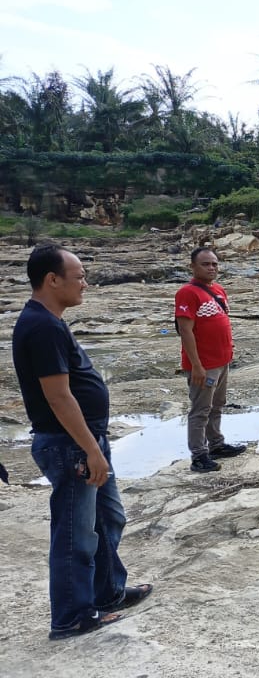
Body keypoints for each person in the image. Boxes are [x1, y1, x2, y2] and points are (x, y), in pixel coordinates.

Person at [11, 244, 152, 640]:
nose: (85, 284)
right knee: (76, 534)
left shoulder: (49, 320)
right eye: (79, 277)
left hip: (84, 442)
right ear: (52, 280)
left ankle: (108, 593)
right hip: (70, 445)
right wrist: (90, 449)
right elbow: (58, 397)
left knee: (109, 518)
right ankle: (72, 616)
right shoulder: (42, 327)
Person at [175, 247, 245, 472]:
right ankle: (198, 455)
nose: (211, 268)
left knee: (217, 405)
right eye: (206, 264)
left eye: (214, 263)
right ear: (193, 267)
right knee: (201, 409)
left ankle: (216, 444)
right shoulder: (187, 293)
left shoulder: (218, 290)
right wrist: (196, 365)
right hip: (203, 364)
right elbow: (185, 331)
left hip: (221, 361)